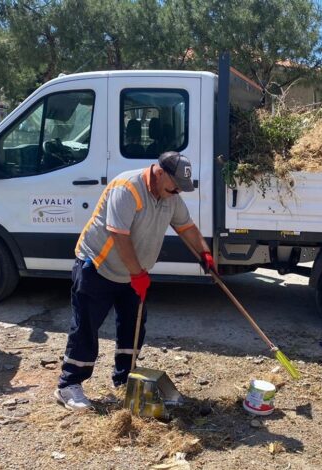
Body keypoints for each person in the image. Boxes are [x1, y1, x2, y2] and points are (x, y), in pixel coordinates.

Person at [55, 151, 215, 411]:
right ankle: (68, 385)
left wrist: (205, 253)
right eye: (175, 185)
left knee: (133, 328)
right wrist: (137, 274)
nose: (177, 192)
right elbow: (119, 236)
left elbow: (186, 227)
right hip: (97, 267)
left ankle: (125, 380)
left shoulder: (170, 197)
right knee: (86, 327)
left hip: (133, 273)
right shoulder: (127, 188)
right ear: (160, 171)